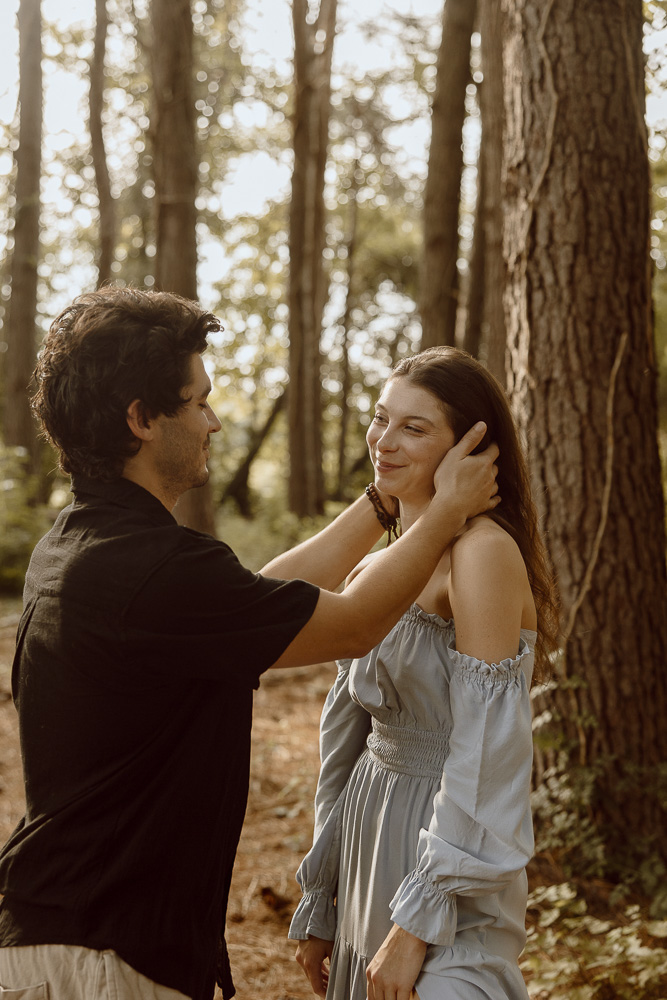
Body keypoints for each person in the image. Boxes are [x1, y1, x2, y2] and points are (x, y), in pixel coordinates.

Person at [0, 288, 500, 1000]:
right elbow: (354, 621)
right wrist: (444, 511)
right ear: (141, 419)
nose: (213, 419)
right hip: (100, 961)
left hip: (66, 934)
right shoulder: (155, 570)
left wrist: (384, 501)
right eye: (197, 401)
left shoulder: (80, 546)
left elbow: (258, 594)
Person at [290, 346, 560, 1000]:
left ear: (471, 449)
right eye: (380, 419)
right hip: (369, 826)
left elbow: (489, 749)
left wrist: (417, 920)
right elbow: (343, 743)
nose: (383, 441)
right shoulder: (384, 564)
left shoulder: (484, 554)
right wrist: (321, 895)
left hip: (453, 846)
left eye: (414, 427)